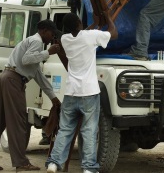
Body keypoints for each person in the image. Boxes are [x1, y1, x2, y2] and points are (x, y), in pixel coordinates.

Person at [0, 20, 62, 172]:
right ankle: (21, 163)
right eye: (52, 34)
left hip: (4, 77)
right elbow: (26, 60)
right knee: (19, 122)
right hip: (13, 81)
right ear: (44, 30)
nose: (52, 38)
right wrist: (48, 52)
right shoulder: (37, 42)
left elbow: (39, 77)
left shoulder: (29, 42)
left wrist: (53, 98)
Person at [46, 11, 118, 173]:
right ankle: (88, 168)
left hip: (71, 92)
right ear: (79, 23)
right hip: (89, 92)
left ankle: (54, 163)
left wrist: (95, 25)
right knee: (89, 131)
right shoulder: (90, 36)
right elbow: (114, 34)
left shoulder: (65, 39)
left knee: (65, 129)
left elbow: (83, 32)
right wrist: (109, 19)